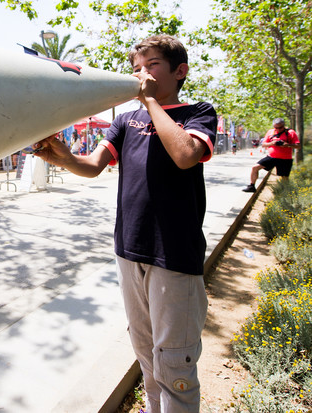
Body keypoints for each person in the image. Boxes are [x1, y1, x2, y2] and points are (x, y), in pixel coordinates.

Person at [34, 35, 217, 412]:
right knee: (146, 353)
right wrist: (64, 156)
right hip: (129, 250)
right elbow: (93, 166)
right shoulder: (125, 120)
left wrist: (150, 102)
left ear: (179, 71)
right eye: (136, 69)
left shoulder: (197, 111)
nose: (141, 75)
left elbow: (185, 155)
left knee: (175, 362)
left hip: (175, 255)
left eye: (151, 66)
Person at [242, 118, 300, 193]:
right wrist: (272, 143)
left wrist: (287, 145)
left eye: (280, 127)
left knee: (284, 177)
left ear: (284, 125)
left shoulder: (290, 132)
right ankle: (252, 186)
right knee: (255, 168)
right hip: (272, 157)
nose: (278, 129)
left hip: (285, 159)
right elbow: (263, 144)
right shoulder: (271, 132)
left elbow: (298, 145)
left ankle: (285, 193)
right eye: (276, 128)